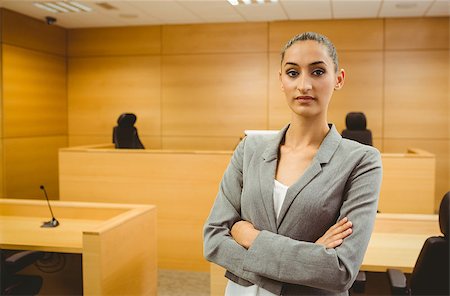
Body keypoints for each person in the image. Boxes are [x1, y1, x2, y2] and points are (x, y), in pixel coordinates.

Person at [203, 32, 382, 296]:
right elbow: (214, 240)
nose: (304, 85)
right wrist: (310, 256)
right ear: (281, 80)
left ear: (338, 79)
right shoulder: (249, 149)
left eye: (318, 72)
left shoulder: (361, 161)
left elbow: (340, 270)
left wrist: (250, 237)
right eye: (293, 73)